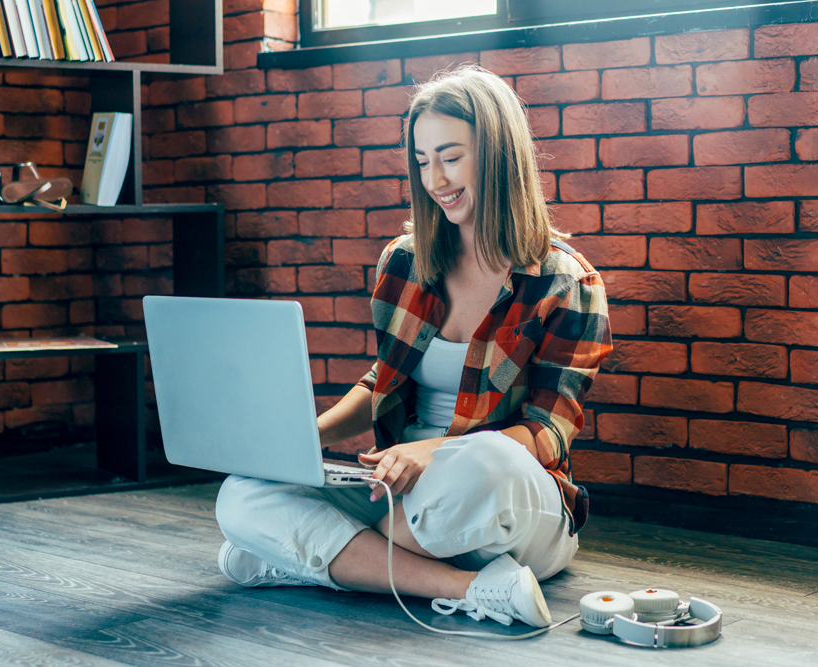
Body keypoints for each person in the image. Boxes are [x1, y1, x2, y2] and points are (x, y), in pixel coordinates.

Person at [214, 65, 612, 628]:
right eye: (423, 162)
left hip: (504, 499)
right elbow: (384, 378)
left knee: (487, 461)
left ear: (498, 156)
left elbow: (546, 435)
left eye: (451, 157)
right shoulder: (404, 262)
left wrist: (434, 453)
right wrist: (305, 438)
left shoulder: (566, 283)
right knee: (241, 495)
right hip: (400, 490)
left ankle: (314, 557)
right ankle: (472, 586)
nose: (436, 180)